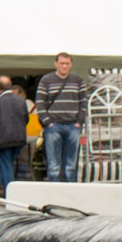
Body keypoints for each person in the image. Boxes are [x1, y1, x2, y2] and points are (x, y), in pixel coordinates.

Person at [36, 53, 90, 183]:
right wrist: (47, 122)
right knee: (54, 165)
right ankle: (55, 193)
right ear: (56, 63)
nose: (64, 66)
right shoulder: (46, 80)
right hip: (54, 125)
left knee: (71, 165)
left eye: (67, 63)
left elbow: (83, 102)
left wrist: (79, 121)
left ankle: (69, 192)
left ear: (71, 64)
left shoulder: (78, 80)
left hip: (72, 125)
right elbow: (40, 102)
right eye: (62, 63)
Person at [0, 81, 31, 196]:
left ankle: (9, 192)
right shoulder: (21, 101)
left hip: (3, 138)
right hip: (19, 138)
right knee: (7, 163)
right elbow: (26, 118)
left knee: (6, 164)